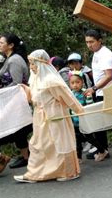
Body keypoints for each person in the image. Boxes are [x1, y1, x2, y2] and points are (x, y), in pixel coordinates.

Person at [14, 49, 83, 183]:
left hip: (55, 116)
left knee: (59, 143)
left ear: (40, 63)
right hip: (40, 118)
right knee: (39, 145)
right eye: (30, 64)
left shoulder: (51, 80)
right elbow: (34, 99)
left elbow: (68, 97)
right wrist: (26, 90)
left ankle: (68, 172)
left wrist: (80, 110)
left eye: (33, 64)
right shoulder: (35, 80)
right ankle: (35, 173)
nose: (31, 67)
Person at [83, 29, 112, 161]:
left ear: (99, 41)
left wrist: (94, 88)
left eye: (92, 42)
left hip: (106, 92)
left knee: (102, 123)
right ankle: (102, 149)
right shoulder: (97, 54)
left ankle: (103, 150)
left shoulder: (105, 54)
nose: (89, 45)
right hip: (100, 91)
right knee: (101, 123)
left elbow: (108, 76)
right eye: (87, 42)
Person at [0, 33, 31, 169]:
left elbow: (17, 84)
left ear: (11, 45)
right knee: (18, 131)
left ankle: (26, 157)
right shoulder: (9, 59)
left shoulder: (15, 60)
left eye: (1, 42)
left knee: (18, 129)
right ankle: (26, 156)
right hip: (12, 101)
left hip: (17, 101)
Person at [69, 71, 93, 161]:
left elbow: (90, 106)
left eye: (77, 82)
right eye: (72, 83)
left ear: (82, 82)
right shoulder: (70, 94)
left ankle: (102, 150)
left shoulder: (85, 92)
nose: (75, 85)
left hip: (84, 121)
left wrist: (89, 97)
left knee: (90, 138)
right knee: (77, 140)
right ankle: (78, 157)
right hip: (75, 122)